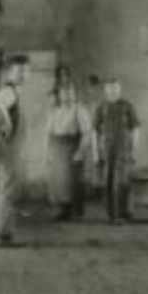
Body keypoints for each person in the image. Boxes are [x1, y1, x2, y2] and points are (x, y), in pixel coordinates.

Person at [0, 55, 29, 246]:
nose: (23, 74)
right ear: (10, 72)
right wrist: (7, 124)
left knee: (10, 189)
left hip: (12, 146)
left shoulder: (14, 91)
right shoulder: (7, 91)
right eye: (19, 70)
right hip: (7, 146)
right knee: (8, 189)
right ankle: (1, 235)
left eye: (26, 70)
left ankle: (5, 233)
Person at [43, 83, 95, 221]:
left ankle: (75, 211)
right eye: (64, 93)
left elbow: (87, 133)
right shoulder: (54, 111)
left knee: (72, 181)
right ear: (60, 95)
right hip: (56, 147)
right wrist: (47, 153)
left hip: (72, 146)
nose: (67, 96)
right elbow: (48, 133)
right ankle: (61, 210)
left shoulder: (80, 110)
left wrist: (81, 151)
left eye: (70, 93)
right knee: (57, 181)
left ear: (74, 94)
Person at [93, 77, 140, 223]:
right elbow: (95, 131)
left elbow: (136, 129)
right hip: (107, 149)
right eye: (109, 89)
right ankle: (112, 214)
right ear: (105, 91)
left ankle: (123, 213)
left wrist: (133, 148)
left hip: (124, 150)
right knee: (107, 181)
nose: (112, 92)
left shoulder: (127, 106)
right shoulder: (101, 107)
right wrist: (95, 153)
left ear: (120, 90)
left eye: (115, 89)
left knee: (122, 181)